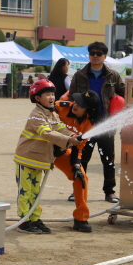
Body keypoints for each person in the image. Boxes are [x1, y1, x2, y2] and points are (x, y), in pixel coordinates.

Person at [13, 79, 78, 234]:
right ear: (37, 98)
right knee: (25, 192)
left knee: (36, 192)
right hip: (26, 159)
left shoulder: (52, 114)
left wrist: (72, 135)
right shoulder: (36, 115)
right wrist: (68, 140)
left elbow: (61, 128)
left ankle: (35, 218)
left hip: (39, 160)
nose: (51, 97)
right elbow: (46, 133)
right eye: (47, 94)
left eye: (52, 94)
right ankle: (24, 221)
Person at [68, 41, 125, 203]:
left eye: (99, 53)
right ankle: (77, 190)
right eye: (92, 53)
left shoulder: (113, 75)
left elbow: (123, 94)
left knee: (108, 160)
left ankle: (110, 192)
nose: (95, 56)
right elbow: (71, 96)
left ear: (105, 56)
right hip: (85, 122)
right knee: (81, 159)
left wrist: (118, 107)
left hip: (106, 122)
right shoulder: (80, 75)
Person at [54, 90, 101, 232]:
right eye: (77, 101)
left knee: (81, 178)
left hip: (61, 153)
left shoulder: (89, 124)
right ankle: (31, 219)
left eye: (81, 105)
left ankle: (81, 219)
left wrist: (75, 165)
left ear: (88, 110)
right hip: (41, 150)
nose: (76, 105)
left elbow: (78, 147)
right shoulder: (60, 107)